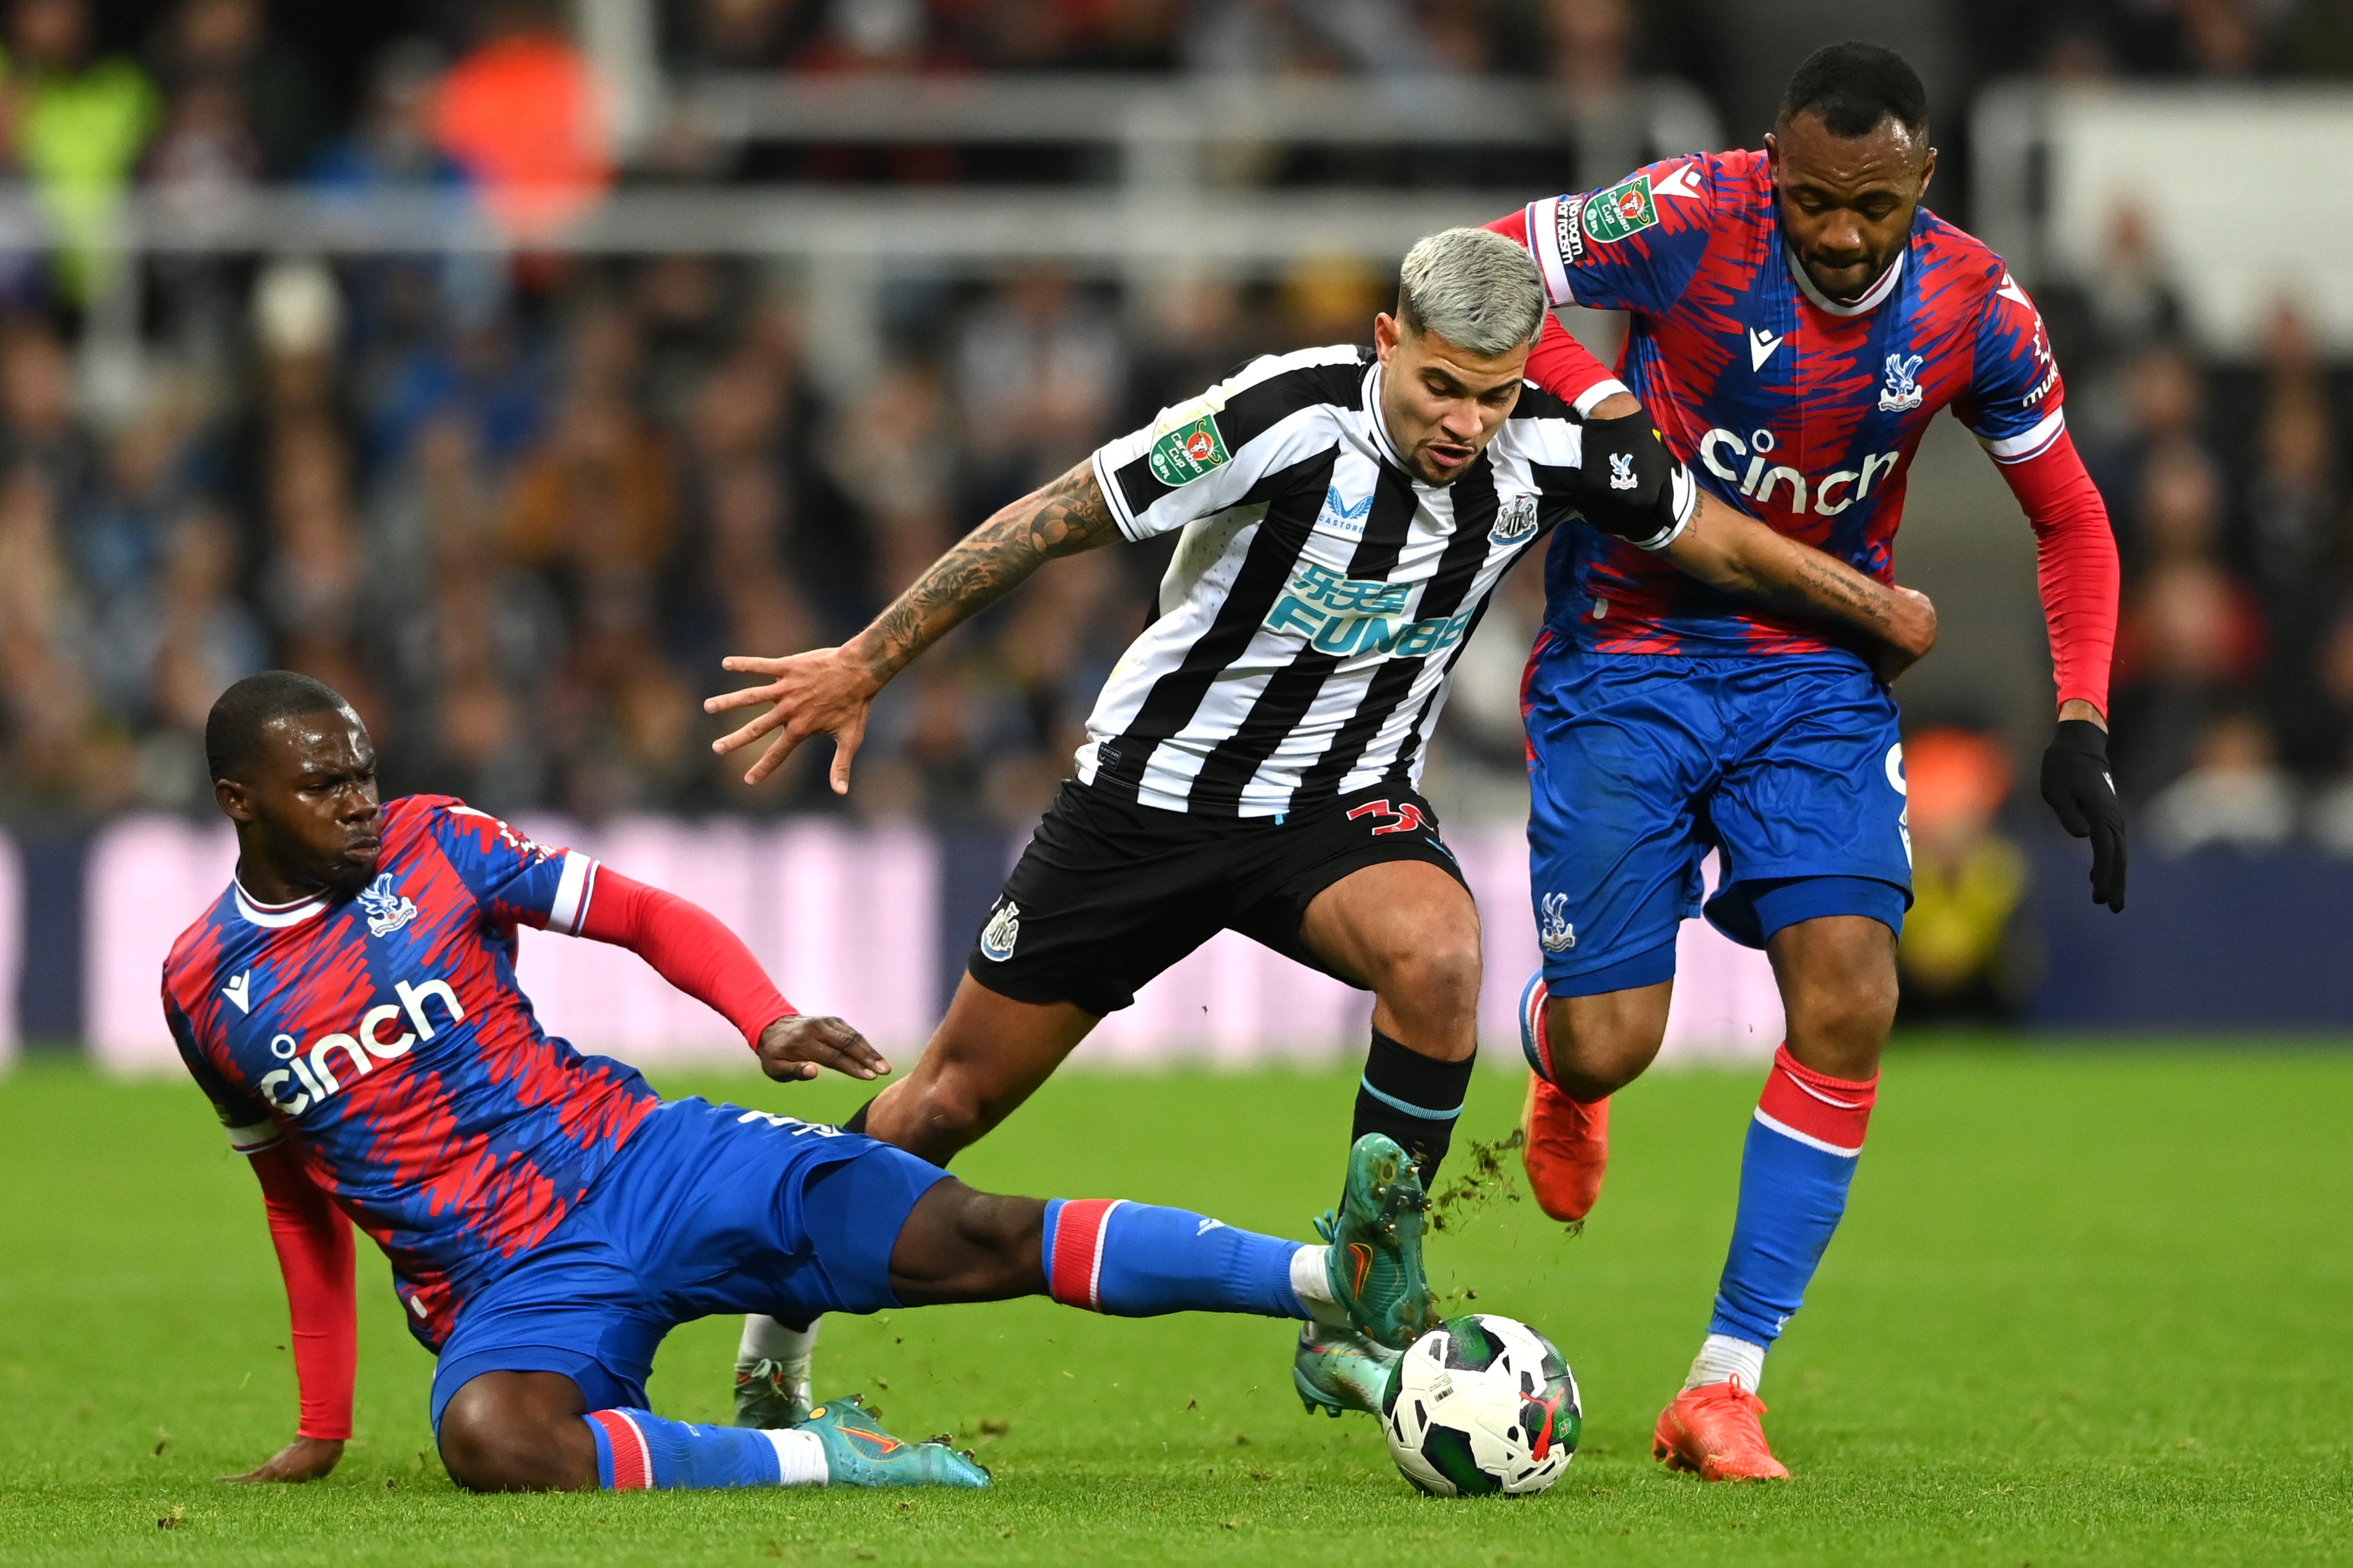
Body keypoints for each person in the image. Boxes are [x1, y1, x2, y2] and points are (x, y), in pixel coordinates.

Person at [705, 226, 1940, 1423]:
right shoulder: (1279, 416)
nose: (1465, 425)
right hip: (1150, 805)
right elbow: (1058, 514)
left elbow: (1706, 534)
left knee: (1441, 954)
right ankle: (779, 1320)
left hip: (1340, 812)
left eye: (1495, 397)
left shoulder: (1555, 447)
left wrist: (1868, 603)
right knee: (949, 1101)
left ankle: (1357, 1311)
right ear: (1386, 339)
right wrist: (868, 660)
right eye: (1442, 387)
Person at [167, 670, 1442, 1493]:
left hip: (650, 1161)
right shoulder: (205, 990)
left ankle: (1331, 1278)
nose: (359, 804)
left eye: (363, 774)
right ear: (240, 800)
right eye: (323, 785)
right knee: (494, 1440)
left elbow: (644, 915)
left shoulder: (440, 846)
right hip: (505, 1284)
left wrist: (765, 1018)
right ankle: (818, 1458)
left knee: (976, 1229)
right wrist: (325, 1422)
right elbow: (297, 1200)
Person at [1484, 41, 2126, 1479]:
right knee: (1615, 1037)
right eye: (1815, 201)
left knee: (1851, 992)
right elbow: (1489, 266)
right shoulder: (1687, 214)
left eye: (1874, 208)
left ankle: (1725, 1381)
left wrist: (2081, 718)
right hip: (1627, 654)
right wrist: (1600, 407)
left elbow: (2072, 520)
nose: (1841, 235)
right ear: (1774, 168)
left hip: (1816, 677)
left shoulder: (1979, 306)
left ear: (1925, 186)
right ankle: (1564, 1072)